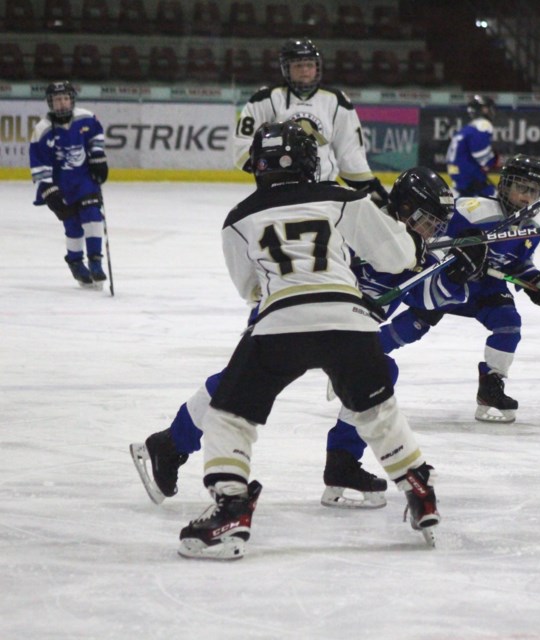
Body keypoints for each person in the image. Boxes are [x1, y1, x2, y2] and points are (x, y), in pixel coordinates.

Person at [129, 167, 482, 510]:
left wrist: (457, 275)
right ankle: (170, 444)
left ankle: (342, 463)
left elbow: (430, 297)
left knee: (380, 374)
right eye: (427, 221)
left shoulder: (406, 243)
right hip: (290, 311)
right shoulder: (361, 224)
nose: (431, 231)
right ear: (404, 208)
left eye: (437, 226)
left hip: (342, 330)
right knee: (235, 390)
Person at [176, 120, 440, 559]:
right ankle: (417, 485)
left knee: (229, 415)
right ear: (311, 161)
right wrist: (414, 246)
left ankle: (231, 506)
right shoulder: (341, 197)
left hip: (280, 324)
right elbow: (396, 258)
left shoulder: (238, 218)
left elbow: (250, 289)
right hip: (349, 321)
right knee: (376, 410)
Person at [379, 154, 540, 423]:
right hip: (449, 282)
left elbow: (519, 265)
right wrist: (459, 250)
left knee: (508, 322)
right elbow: (433, 233)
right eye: (522, 188)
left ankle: (491, 386)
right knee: (417, 323)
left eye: (535, 191)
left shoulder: (530, 230)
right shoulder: (471, 209)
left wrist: (536, 283)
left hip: (486, 289)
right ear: (504, 186)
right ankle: (367, 356)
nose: (528, 197)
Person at [232, 38, 389, 205]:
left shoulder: (337, 101)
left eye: (310, 65)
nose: (305, 70)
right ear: (286, 69)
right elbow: (242, 147)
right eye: (298, 66)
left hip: (323, 190)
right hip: (277, 191)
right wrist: (271, 169)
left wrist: (367, 185)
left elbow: (350, 153)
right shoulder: (264, 99)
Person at [29, 81, 109, 288]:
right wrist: (47, 188)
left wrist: (98, 157)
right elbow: (39, 162)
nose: (62, 103)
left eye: (65, 98)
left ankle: (95, 261)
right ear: (50, 103)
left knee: (92, 215)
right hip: (61, 185)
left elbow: (96, 138)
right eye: (57, 100)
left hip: (84, 180)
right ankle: (75, 261)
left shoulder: (87, 118)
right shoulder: (42, 129)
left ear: (71, 99)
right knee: (73, 226)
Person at [445, 95, 499, 197]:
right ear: (484, 109)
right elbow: (481, 155)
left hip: (457, 177)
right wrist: (493, 161)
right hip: (469, 178)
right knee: (497, 200)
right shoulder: (483, 125)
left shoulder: (468, 128)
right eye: (489, 109)